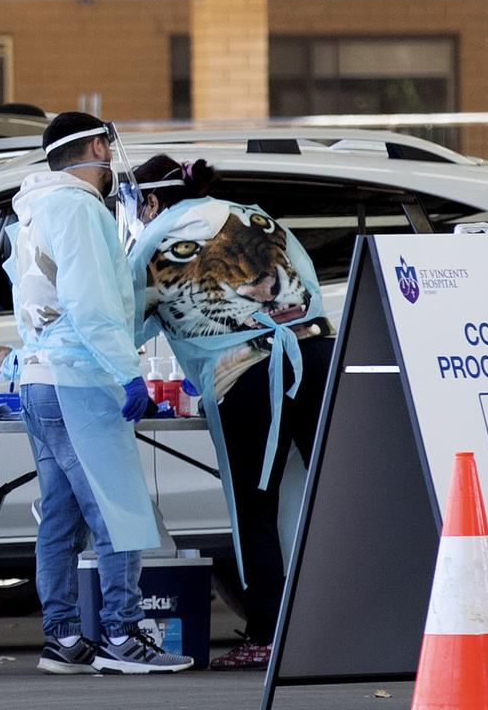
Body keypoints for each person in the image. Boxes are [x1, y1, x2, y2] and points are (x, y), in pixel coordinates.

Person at [0, 113, 193, 675]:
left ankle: (63, 639)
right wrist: (128, 372)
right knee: (116, 512)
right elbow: (92, 302)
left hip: (39, 381)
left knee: (59, 516)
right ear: (99, 146)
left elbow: (47, 300)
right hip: (81, 380)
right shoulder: (79, 209)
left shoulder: (30, 210)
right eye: (108, 147)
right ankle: (122, 637)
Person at [128, 155, 335, 670]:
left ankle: (266, 635)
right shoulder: (256, 214)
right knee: (337, 496)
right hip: (318, 356)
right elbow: (311, 291)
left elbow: (123, 326)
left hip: (250, 374)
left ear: (151, 201)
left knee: (254, 513)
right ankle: (367, 621)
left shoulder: (155, 242)